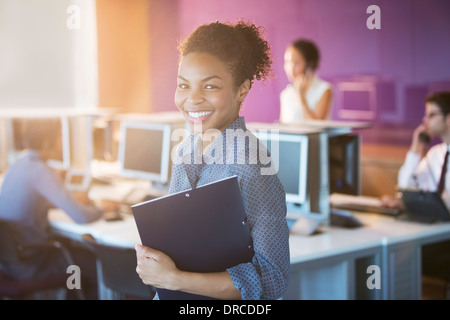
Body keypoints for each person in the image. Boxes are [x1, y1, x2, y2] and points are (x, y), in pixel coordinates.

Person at [135, 20, 290, 300]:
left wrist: (176, 279)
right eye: (184, 85)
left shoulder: (252, 166)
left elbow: (272, 279)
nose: (192, 99)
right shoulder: (185, 151)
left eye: (209, 87)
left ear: (242, 89)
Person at [0, 117, 107, 298]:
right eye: (60, 136)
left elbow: (30, 201)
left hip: (8, 264)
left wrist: (67, 199)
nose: (61, 141)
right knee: (94, 261)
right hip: (31, 264)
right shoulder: (41, 170)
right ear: (48, 140)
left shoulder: (19, 163)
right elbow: (81, 217)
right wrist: (103, 208)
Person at [381, 91, 450, 210]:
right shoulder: (436, 154)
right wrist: (415, 148)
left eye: (431, 115)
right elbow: (405, 187)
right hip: (434, 223)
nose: (425, 120)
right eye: (426, 115)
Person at [279, 39, 333, 122]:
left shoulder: (324, 89)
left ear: (309, 65)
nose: (291, 68)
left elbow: (318, 126)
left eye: (296, 63)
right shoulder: (286, 93)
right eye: (287, 62)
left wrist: (302, 98)